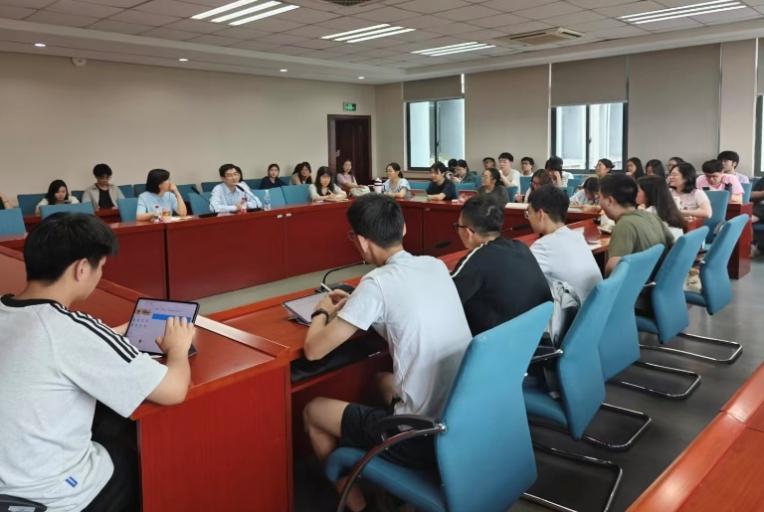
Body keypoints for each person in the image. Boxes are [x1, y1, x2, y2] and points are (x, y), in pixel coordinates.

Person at [0, 212, 194, 512]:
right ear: (81, 269)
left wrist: (107, 336)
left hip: (8, 482)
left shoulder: (8, 309)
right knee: (144, 459)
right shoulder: (71, 330)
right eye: (100, 266)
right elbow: (174, 390)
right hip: (51, 497)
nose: (100, 274)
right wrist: (178, 349)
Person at [301, 195, 472, 512]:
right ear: (403, 228)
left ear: (361, 241)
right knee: (380, 380)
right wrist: (357, 305)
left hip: (420, 437)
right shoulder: (434, 265)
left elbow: (313, 350)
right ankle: (385, 482)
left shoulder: (376, 284)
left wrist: (322, 311)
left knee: (313, 411)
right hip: (462, 419)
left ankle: (357, 504)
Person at [452, 194, 552, 335]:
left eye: (457, 226)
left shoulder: (478, 258)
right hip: (534, 335)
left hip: (498, 343)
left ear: (468, 232)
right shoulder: (520, 247)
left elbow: (445, 299)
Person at [527, 185, 602, 302]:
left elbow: (521, 281)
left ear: (540, 214)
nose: (528, 218)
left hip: (575, 312)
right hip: (596, 308)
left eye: (529, 213)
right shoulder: (578, 236)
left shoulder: (543, 247)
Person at [599, 174, 674, 276]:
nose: (599, 202)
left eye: (600, 197)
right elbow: (674, 246)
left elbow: (614, 269)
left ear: (609, 201)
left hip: (640, 284)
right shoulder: (652, 216)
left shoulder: (625, 225)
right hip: (657, 279)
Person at [637, 175, 686, 240]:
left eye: (638, 190)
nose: (635, 193)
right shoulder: (671, 210)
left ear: (648, 192)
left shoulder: (647, 215)